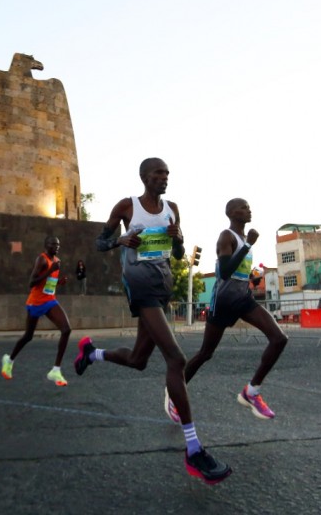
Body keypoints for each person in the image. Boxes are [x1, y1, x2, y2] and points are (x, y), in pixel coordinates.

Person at [72, 157, 231, 485]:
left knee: (138, 360)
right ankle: (193, 449)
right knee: (176, 358)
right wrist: (120, 239)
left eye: (167, 174)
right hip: (139, 286)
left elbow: (177, 252)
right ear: (145, 177)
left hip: (161, 285)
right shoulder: (126, 207)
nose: (165, 178)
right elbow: (100, 242)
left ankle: (92, 353)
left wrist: (176, 238)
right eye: (159, 173)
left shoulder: (173, 208)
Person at [172, 198, 288, 426]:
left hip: (243, 299)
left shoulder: (244, 239)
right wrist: (248, 245)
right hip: (223, 301)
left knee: (279, 338)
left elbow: (239, 272)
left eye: (248, 206)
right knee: (206, 353)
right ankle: (175, 392)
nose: (249, 209)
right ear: (231, 213)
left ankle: (252, 391)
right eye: (243, 207)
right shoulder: (227, 237)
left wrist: (252, 278)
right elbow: (224, 272)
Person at [1, 236, 72, 387]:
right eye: (53, 244)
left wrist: (59, 282)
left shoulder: (57, 261)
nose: (56, 246)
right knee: (28, 336)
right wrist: (49, 271)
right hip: (35, 302)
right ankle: (9, 359)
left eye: (58, 244)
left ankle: (56, 370)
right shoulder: (42, 259)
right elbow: (32, 282)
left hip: (49, 300)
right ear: (46, 245)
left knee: (66, 329)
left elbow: (48, 284)